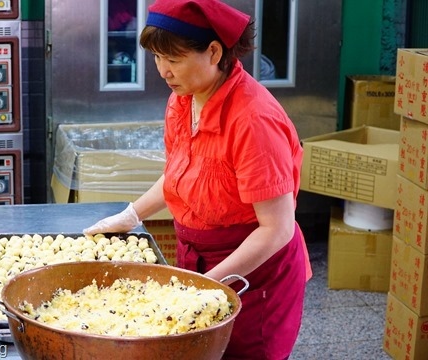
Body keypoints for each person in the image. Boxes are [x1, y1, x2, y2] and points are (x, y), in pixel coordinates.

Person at [83, 0, 312, 359]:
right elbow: (180, 174)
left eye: (173, 60)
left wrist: (205, 285)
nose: (162, 71)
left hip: (255, 274)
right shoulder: (184, 100)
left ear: (214, 52)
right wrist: (131, 215)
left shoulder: (253, 120)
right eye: (157, 59)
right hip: (200, 260)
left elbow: (277, 229)